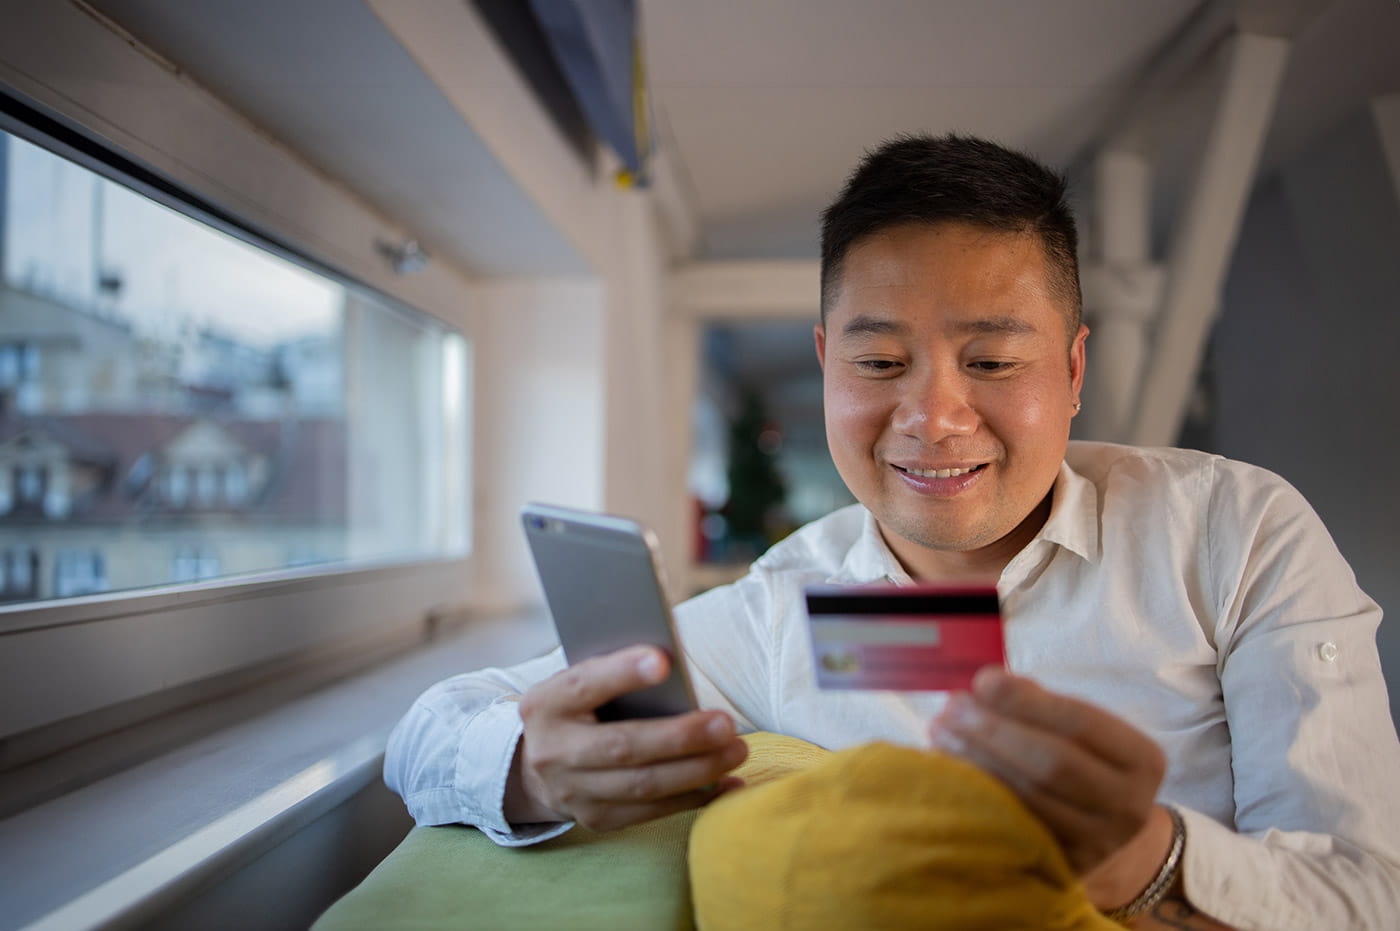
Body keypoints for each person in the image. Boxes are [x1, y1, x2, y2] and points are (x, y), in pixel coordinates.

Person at [385, 134, 1400, 928]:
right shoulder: (784, 610)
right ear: (826, 363)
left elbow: (1366, 894)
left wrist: (1143, 858)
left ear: (1074, 371)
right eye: (877, 365)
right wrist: (527, 767)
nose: (931, 418)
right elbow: (430, 726)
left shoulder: (1232, 532)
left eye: (993, 362)